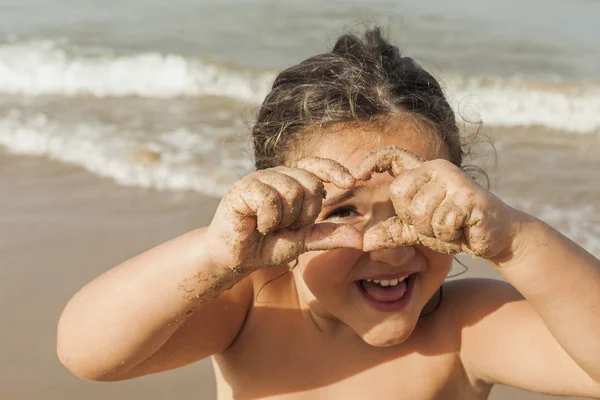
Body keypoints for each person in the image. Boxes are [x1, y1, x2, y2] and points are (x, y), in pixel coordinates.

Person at [57, 28, 600, 399]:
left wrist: (515, 240)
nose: (388, 245)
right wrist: (215, 252)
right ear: (278, 210)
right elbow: (89, 354)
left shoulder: (465, 328)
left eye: (417, 206)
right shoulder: (252, 310)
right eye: (341, 211)